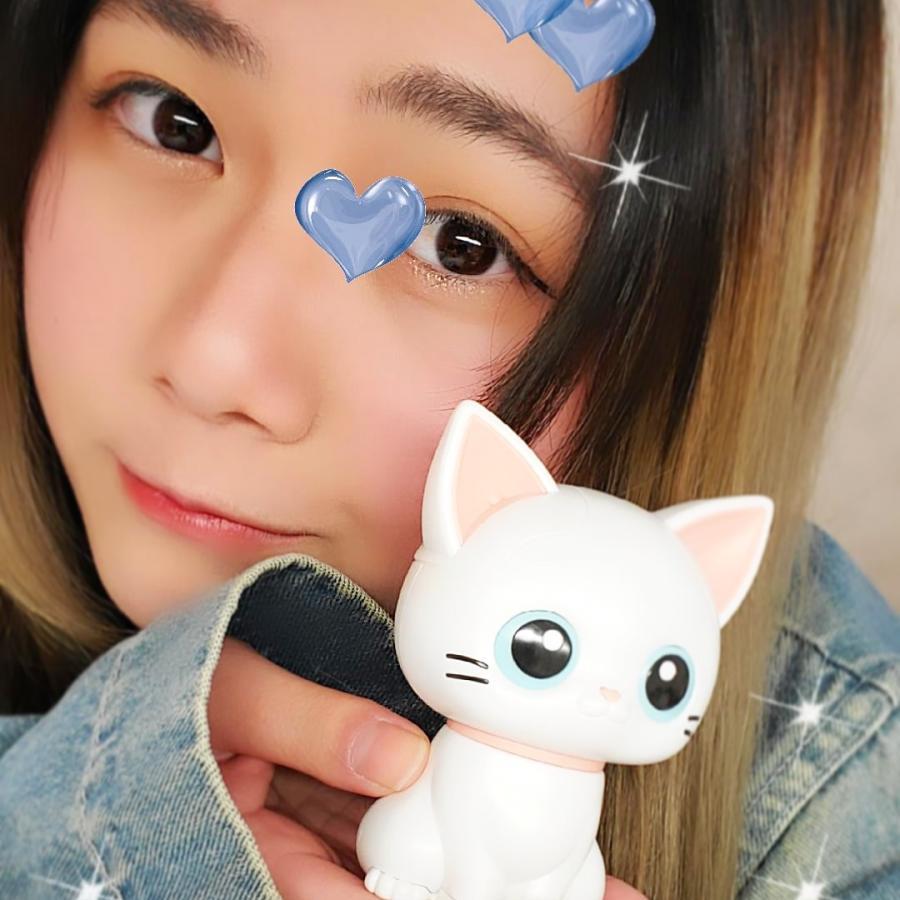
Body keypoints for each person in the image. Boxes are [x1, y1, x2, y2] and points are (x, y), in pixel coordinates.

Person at [0, 0, 897, 897]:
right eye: (175, 122)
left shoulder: (832, 783)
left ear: (690, 350)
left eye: (461, 246)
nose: (214, 365)